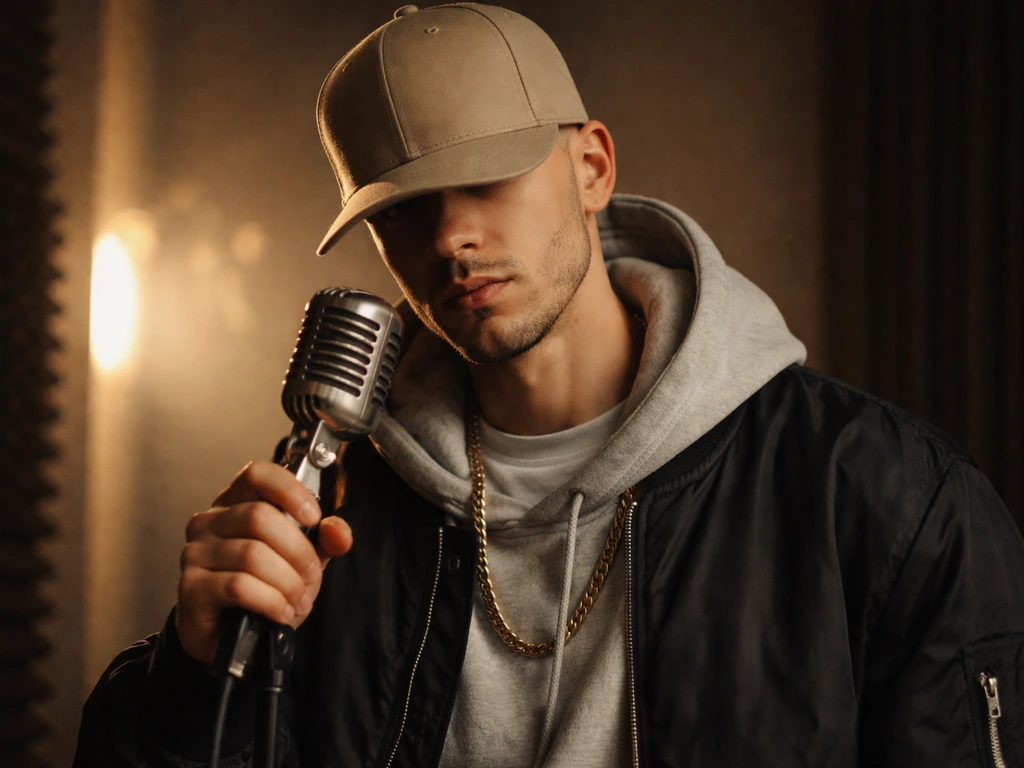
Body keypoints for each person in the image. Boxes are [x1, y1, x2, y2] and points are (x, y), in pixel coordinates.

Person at [75, 4, 1024, 766]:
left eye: (486, 180)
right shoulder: (327, 517)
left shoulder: (885, 499)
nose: (450, 238)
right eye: (403, 212)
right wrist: (192, 674)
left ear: (593, 167)